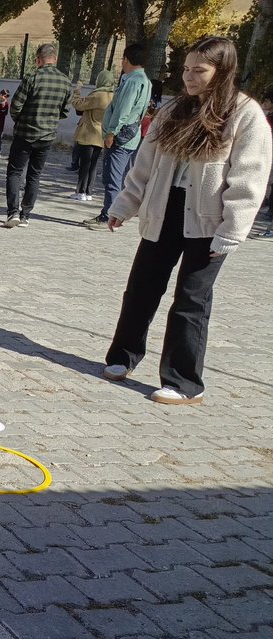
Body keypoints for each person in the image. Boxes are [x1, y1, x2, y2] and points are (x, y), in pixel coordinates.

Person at [101, 36, 272, 405]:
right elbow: (144, 166)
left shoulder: (245, 114)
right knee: (141, 290)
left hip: (210, 223)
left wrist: (232, 230)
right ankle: (122, 358)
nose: (189, 77)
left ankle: (183, 382)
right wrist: (124, 205)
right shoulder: (173, 109)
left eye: (199, 70)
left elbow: (250, 178)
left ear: (222, 72)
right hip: (163, 212)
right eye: (186, 69)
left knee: (190, 301)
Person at [3, 44, 71, 228]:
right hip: (47, 136)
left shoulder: (31, 78)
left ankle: (13, 212)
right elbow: (65, 110)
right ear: (55, 59)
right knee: (35, 174)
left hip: (25, 133)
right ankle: (26, 215)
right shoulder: (65, 81)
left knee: (15, 171)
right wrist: (50, 118)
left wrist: (20, 120)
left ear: (38, 59)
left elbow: (15, 105)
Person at [84, 44, 152, 230]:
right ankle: (109, 213)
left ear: (126, 60)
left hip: (120, 137)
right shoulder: (145, 80)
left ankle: (109, 217)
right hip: (132, 136)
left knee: (112, 178)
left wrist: (111, 132)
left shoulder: (131, 81)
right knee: (120, 177)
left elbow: (123, 110)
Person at [69, 69, 114, 202]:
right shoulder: (113, 96)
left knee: (84, 163)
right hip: (102, 134)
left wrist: (77, 90)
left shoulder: (97, 95)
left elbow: (77, 104)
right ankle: (89, 191)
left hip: (89, 133)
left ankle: (80, 191)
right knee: (93, 164)